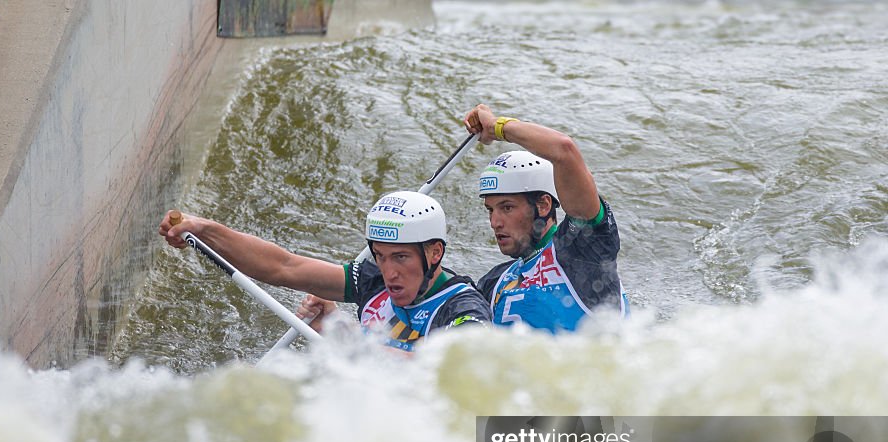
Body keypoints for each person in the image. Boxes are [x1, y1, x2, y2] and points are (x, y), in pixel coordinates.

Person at [159, 190, 490, 353]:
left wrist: (346, 337)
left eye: (401, 258)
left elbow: (438, 377)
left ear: (434, 253)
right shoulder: (371, 281)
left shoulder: (465, 311)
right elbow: (283, 267)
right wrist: (205, 230)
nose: (389, 273)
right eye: (381, 256)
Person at [463, 104, 629, 332]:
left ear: (543, 205)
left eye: (507, 207)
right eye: (491, 210)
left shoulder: (582, 251)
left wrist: (497, 127)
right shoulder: (495, 281)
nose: (495, 222)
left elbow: (564, 150)